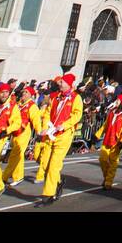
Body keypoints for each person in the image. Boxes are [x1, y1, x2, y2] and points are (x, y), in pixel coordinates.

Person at [34, 73, 82, 206]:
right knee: (45, 164)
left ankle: (48, 194)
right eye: (60, 82)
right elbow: (48, 112)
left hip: (64, 135)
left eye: (62, 82)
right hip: (51, 134)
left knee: (54, 165)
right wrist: (46, 127)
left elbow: (77, 115)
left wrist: (64, 125)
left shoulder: (76, 98)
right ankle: (58, 182)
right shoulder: (56, 97)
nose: (59, 84)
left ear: (68, 84)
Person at [97, 92, 122, 190]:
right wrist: (97, 135)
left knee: (113, 162)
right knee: (102, 159)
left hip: (117, 142)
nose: (116, 101)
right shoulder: (112, 112)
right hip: (107, 138)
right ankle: (107, 177)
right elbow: (105, 125)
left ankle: (108, 182)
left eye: (118, 100)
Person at [5, 83, 37, 187]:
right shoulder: (18, 104)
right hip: (15, 132)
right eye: (23, 91)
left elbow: (36, 120)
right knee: (13, 155)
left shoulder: (32, 106)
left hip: (24, 132)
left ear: (30, 95)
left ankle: (18, 176)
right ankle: (6, 175)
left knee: (17, 153)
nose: (24, 93)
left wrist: (40, 132)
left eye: (26, 92)